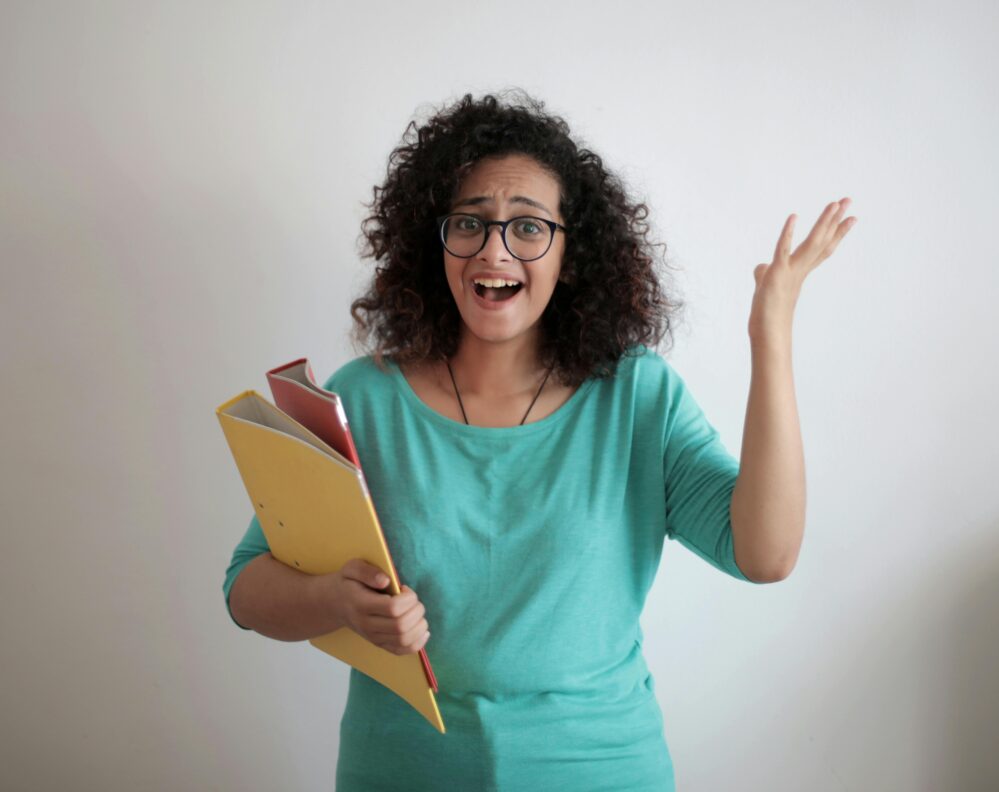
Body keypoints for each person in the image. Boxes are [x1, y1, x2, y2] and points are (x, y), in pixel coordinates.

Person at [222, 90, 856, 791]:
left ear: (570, 251)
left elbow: (765, 554)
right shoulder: (363, 399)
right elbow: (247, 591)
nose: (495, 250)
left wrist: (770, 335)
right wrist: (337, 604)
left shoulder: (636, 397)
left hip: (601, 770)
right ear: (433, 241)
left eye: (528, 227)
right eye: (470, 223)